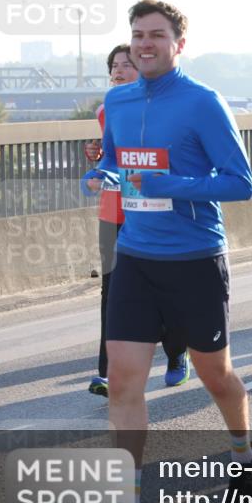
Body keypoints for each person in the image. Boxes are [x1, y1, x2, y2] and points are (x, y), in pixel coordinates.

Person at [80, 0, 252, 503]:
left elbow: (241, 182)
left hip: (195, 261)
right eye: (137, 35)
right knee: (124, 383)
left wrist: (174, 186)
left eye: (156, 35)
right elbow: (116, 161)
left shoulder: (204, 102)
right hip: (135, 258)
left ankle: (243, 451)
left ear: (179, 44)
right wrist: (103, 175)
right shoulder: (118, 97)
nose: (145, 43)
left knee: (215, 376)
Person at [84, 45, 190, 398]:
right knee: (111, 294)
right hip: (113, 212)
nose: (118, 71)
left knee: (163, 291)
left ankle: (177, 351)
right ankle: (109, 372)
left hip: (152, 210)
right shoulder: (107, 108)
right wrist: (97, 161)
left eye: (126, 65)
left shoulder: (163, 106)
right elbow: (113, 154)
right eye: (113, 66)